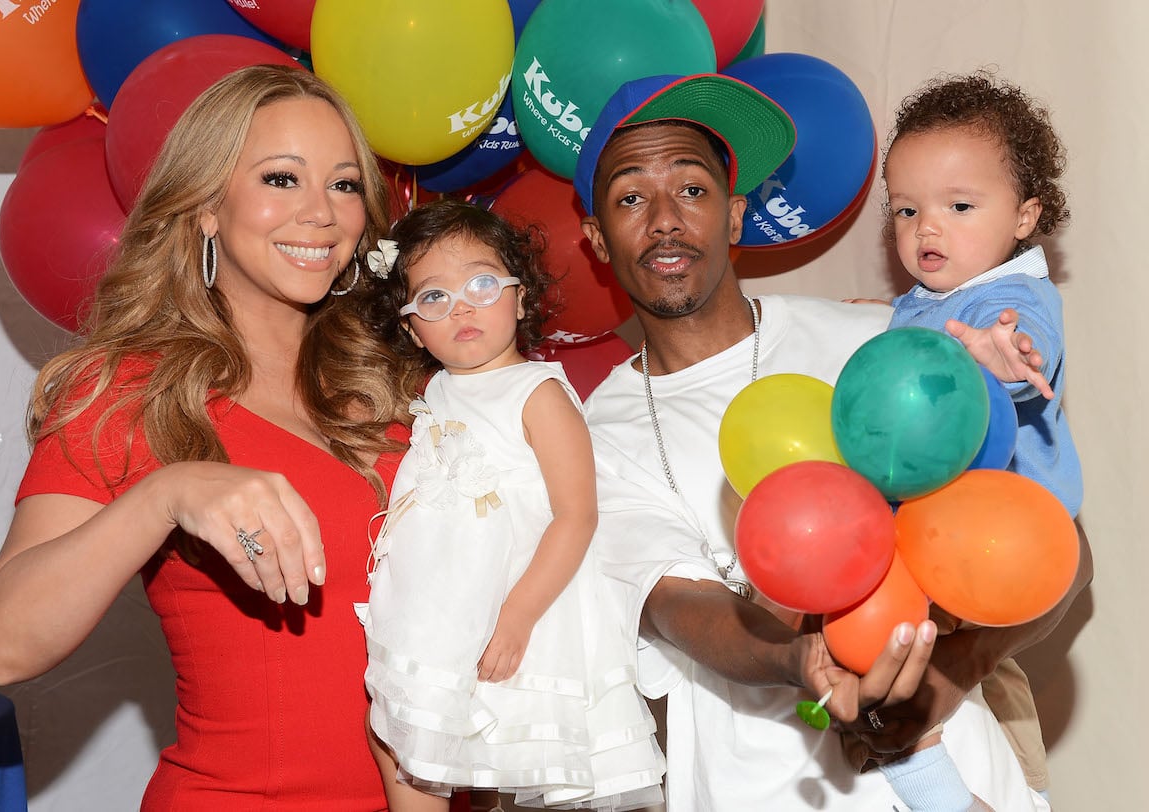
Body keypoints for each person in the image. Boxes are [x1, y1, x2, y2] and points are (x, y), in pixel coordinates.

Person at [572, 72, 1092, 811]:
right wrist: (802, 659)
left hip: (964, 782)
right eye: (629, 197)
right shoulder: (591, 434)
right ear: (595, 239)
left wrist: (946, 679)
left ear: (735, 214)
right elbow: (678, 610)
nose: (664, 219)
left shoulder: (886, 343)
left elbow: (1058, 551)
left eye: (692, 188)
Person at [0, 65, 419, 809]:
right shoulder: (132, 391)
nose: (322, 214)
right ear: (206, 205)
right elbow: (3, 645)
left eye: (343, 185)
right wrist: (166, 494)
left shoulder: (399, 382)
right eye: (281, 178)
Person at [356, 198, 665, 811]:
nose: (462, 305)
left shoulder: (537, 391)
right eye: (434, 298)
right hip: (444, 620)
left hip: (525, 613)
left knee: (526, 754)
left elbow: (577, 515)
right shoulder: (435, 392)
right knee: (433, 748)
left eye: (481, 283)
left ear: (520, 297)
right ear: (414, 326)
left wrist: (519, 615)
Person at [862, 70, 1083, 810]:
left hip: (1003, 545)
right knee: (914, 674)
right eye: (905, 209)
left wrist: (1004, 359)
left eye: (959, 206)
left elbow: (1031, 350)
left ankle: (983, 792)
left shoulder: (1011, 300)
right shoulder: (928, 303)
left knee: (969, 691)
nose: (927, 228)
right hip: (941, 546)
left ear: (1025, 216)